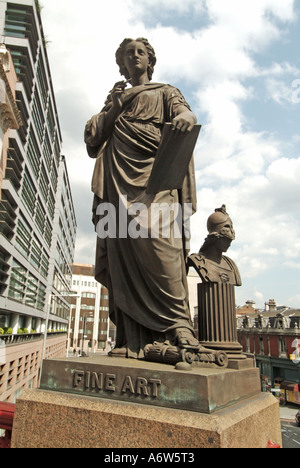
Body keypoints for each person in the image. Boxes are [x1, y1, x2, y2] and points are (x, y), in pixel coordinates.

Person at [84, 37, 199, 359]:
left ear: (150, 60)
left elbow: (186, 115)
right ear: (121, 63)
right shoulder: (115, 100)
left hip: (157, 180)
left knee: (164, 251)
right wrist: (115, 106)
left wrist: (185, 119)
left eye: (140, 52)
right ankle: (128, 338)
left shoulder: (165, 91)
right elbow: (93, 138)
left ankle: (179, 326)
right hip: (116, 184)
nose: (134, 57)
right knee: (124, 257)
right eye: (128, 54)